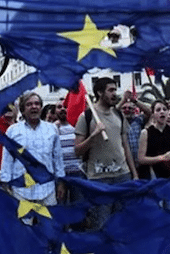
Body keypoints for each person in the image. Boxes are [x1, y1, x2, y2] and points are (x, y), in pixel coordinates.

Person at [74, 77, 138, 231]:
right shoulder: (86, 117)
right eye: (111, 90)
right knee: (101, 224)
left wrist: (134, 174)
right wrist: (93, 136)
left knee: (122, 223)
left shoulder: (119, 114)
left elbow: (125, 146)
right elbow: (77, 151)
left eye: (115, 90)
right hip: (99, 179)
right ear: (99, 92)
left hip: (122, 176)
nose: (114, 94)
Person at [0, 92, 65, 207]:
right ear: (23, 110)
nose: (34, 107)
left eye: (37, 104)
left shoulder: (52, 129)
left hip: (47, 189)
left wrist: (61, 182)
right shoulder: (12, 131)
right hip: (21, 191)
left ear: (41, 108)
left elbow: (58, 158)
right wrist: (5, 183)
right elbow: (7, 159)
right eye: (29, 104)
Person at [138, 100, 170, 179]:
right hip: (153, 175)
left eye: (164, 109)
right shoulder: (145, 133)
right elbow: (141, 159)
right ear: (153, 114)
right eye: (158, 110)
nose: (162, 112)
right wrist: (163, 157)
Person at [116, 90, 151, 179]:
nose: (127, 110)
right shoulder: (117, 122)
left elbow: (149, 112)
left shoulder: (139, 120)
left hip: (141, 164)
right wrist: (123, 100)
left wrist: (134, 100)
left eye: (130, 108)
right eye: (124, 108)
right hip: (125, 166)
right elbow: (113, 112)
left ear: (134, 110)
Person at [54, 100, 84, 204]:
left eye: (65, 106)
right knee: (61, 206)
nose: (63, 109)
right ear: (55, 111)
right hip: (59, 174)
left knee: (78, 205)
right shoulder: (52, 129)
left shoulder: (78, 126)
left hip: (77, 172)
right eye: (59, 107)